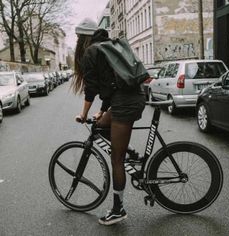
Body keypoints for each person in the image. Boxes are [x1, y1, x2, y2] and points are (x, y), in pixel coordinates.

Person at [72, 18, 146, 226]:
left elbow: (92, 88)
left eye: (78, 37)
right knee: (102, 125)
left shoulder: (91, 52)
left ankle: (118, 209)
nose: (77, 41)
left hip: (126, 103)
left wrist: (84, 114)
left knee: (116, 159)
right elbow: (111, 85)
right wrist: (102, 111)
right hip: (131, 97)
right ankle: (131, 152)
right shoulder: (108, 46)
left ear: (82, 38)